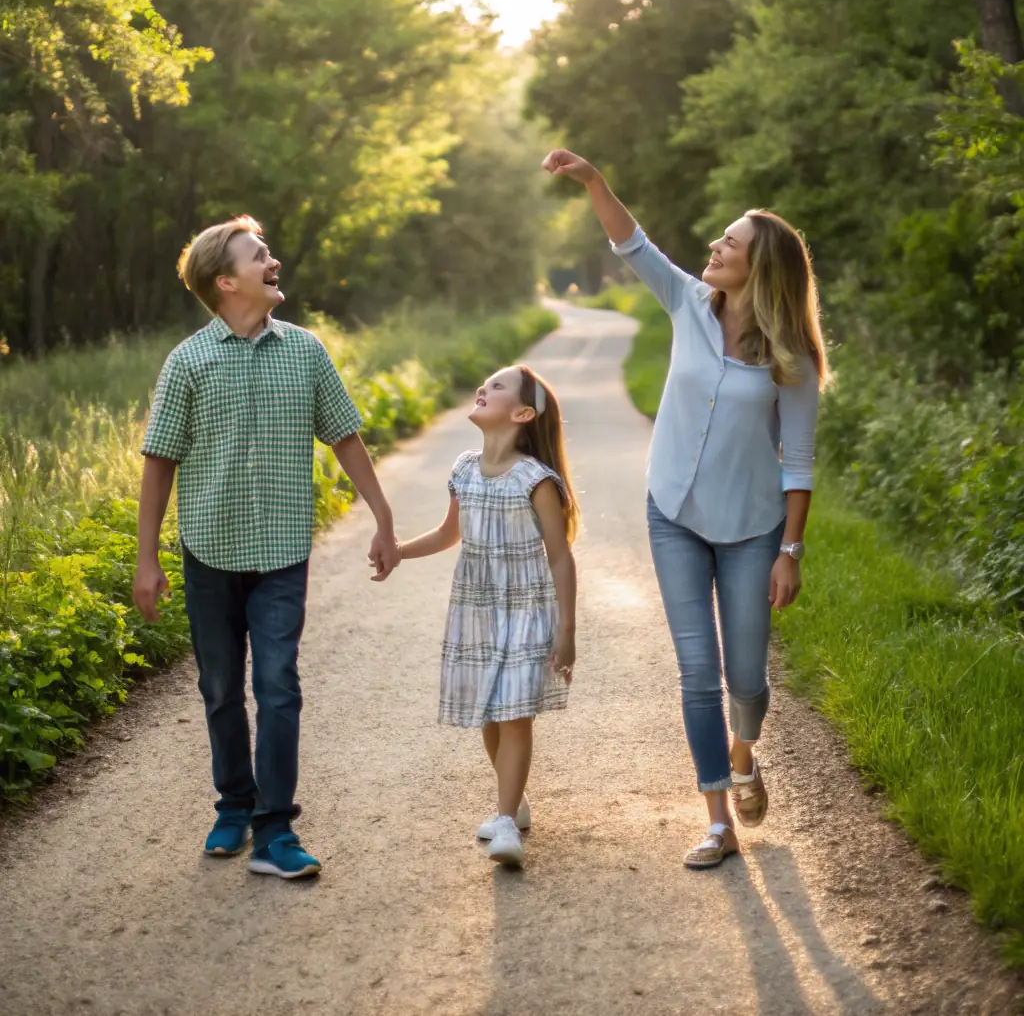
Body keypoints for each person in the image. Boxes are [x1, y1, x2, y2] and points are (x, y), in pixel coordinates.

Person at [542, 149, 829, 869]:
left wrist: (790, 551)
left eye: (728, 243)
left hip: (751, 527)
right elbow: (631, 241)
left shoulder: (790, 355)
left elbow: (798, 461)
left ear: (757, 267)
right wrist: (591, 179)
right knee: (696, 669)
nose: (714, 247)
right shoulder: (687, 304)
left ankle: (743, 754)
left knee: (748, 678)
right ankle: (718, 818)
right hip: (671, 509)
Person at [133, 215, 401, 880]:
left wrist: (383, 516)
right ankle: (234, 802)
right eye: (260, 255)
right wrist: (147, 558)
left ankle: (276, 828)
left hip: (282, 550)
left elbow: (343, 435)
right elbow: (159, 460)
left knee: (278, 684)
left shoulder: (304, 350)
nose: (273, 260)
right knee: (221, 686)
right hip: (209, 551)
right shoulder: (187, 361)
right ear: (227, 282)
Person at [396, 364, 579, 867]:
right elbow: (447, 533)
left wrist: (567, 630)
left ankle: (504, 823)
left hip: (525, 607)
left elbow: (561, 556)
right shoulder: (463, 467)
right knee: (488, 712)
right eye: (484, 383)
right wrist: (398, 552)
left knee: (514, 712)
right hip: (475, 608)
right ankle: (512, 798)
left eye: (497, 387)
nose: (483, 388)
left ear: (522, 414)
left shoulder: (536, 479)